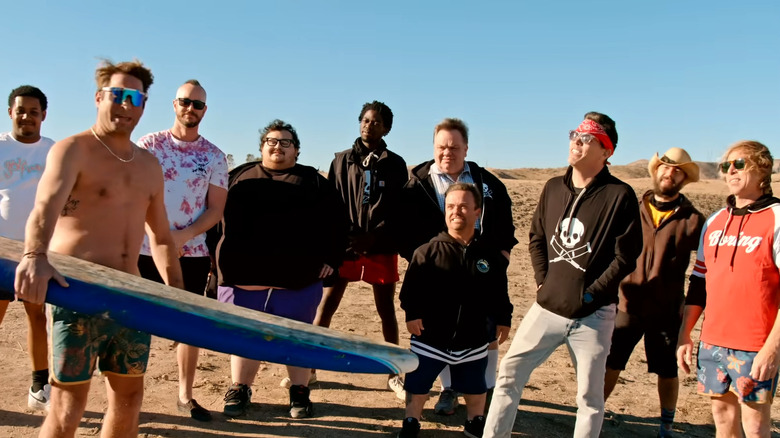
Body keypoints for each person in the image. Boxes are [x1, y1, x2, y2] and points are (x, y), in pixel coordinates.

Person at [14, 60, 184, 438]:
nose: (126, 105)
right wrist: (33, 256)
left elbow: (159, 238)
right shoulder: (73, 150)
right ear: (98, 97)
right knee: (67, 405)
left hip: (131, 296)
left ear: (143, 105)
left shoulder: (149, 165)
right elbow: (44, 209)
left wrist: (177, 297)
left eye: (135, 98)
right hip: (78, 294)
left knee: (129, 400)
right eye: (118, 95)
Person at [483, 112, 642, 438]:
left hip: (594, 315)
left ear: (606, 151)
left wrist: (592, 294)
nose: (577, 142)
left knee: (589, 397)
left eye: (588, 139)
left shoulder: (620, 195)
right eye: (575, 135)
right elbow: (537, 238)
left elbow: (626, 256)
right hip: (547, 307)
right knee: (510, 373)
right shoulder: (553, 187)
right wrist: (544, 282)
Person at [216, 119, 347, 419]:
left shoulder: (314, 182)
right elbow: (214, 220)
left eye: (285, 142)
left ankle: (299, 391)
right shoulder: (237, 177)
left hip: (297, 280)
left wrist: (332, 259)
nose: (277, 146)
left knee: (296, 337)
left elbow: (337, 224)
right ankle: (240, 388)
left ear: (297, 151)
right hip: (243, 279)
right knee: (245, 336)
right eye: (271, 141)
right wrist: (214, 263)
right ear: (262, 147)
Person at [401, 118, 518, 415]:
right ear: (434, 147)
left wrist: (499, 257)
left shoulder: (487, 182)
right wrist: (420, 258)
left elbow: (504, 221)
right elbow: (404, 230)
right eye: (442, 146)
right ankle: (447, 390)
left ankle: (483, 392)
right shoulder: (417, 184)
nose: (447, 153)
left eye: (454, 147)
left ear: (466, 148)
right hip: (436, 274)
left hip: (480, 270)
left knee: (483, 334)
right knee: (437, 335)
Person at [136, 79, 228, 422]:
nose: (191, 109)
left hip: (191, 253)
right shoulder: (148, 145)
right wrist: (160, 237)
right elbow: (136, 196)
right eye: (185, 102)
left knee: (188, 327)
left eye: (198, 105)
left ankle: (185, 395)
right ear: (174, 104)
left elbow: (215, 209)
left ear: (205, 111)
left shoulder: (214, 156)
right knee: (135, 322)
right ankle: (131, 393)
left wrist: (182, 236)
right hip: (144, 250)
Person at [677, 141, 780, 438]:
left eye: (739, 164)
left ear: (762, 168)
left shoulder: (775, 218)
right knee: (722, 419)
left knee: (756, 425)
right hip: (713, 342)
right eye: (725, 166)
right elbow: (698, 282)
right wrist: (686, 334)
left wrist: (772, 349)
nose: (730, 171)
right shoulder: (715, 222)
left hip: (756, 345)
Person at [398, 182, 513, 438]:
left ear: (477, 212)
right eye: (451, 206)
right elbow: (410, 291)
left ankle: (475, 422)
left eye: (463, 206)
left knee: (476, 387)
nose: (456, 211)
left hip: (473, 339)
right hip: (430, 338)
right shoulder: (426, 252)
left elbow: (499, 293)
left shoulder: (490, 256)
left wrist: (504, 319)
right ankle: (410, 422)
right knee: (417, 385)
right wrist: (412, 314)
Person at [603, 147, 704, 438]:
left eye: (677, 170)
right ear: (655, 171)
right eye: (665, 167)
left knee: (668, 370)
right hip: (626, 303)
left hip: (667, 310)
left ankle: (666, 425)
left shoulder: (693, 220)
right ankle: (594, 412)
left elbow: (710, 264)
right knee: (612, 362)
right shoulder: (630, 209)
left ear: (684, 178)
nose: (669, 173)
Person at [313, 100, 408, 398]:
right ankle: (309, 366)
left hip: (381, 247)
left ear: (387, 128)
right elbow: (332, 202)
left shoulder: (395, 164)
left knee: (386, 310)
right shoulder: (341, 160)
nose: (370, 125)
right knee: (327, 304)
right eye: (365, 120)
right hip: (346, 245)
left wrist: (375, 236)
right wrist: (348, 235)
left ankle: (394, 371)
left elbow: (399, 209)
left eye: (377, 122)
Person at [0, 85, 55, 410]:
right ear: (11, 112)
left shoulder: (53, 151)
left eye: (34, 112)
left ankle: (39, 385)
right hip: (1, 253)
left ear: (43, 116)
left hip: (39, 253)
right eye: (21, 110)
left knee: (37, 316)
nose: (27, 117)